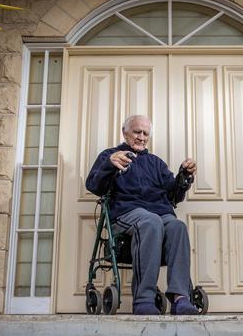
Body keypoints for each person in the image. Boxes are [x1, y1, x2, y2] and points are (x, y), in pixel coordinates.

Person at [85, 115, 199, 315]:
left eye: (145, 133)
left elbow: (174, 196)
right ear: (125, 132)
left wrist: (184, 175)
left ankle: (180, 297)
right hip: (126, 212)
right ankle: (144, 298)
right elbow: (94, 186)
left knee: (177, 226)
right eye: (137, 132)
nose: (141, 137)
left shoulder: (156, 163)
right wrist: (109, 165)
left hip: (159, 213)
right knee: (151, 221)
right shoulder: (111, 155)